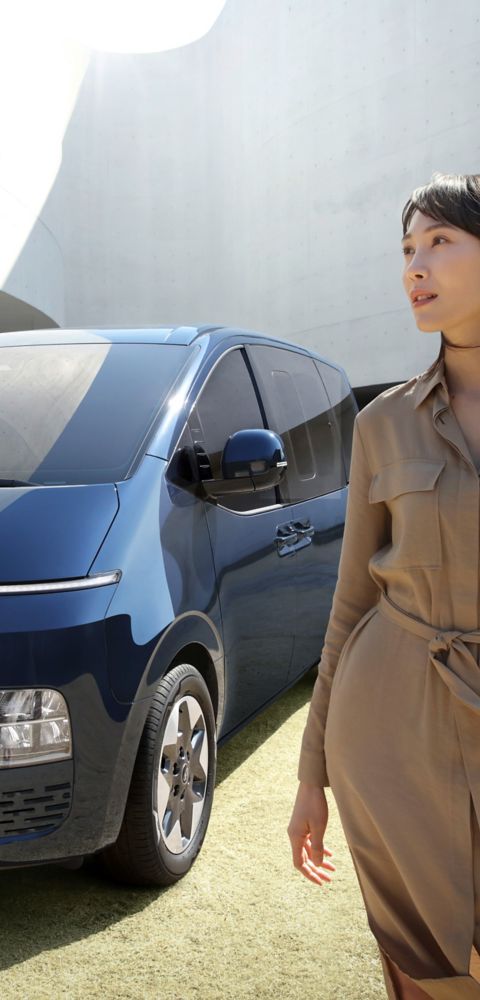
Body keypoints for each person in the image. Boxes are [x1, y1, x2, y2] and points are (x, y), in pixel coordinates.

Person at [287, 171, 480, 1000]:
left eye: (440, 241)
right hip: (393, 727)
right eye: (407, 248)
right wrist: (309, 775)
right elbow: (351, 604)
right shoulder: (382, 423)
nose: (415, 265)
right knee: (435, 967)